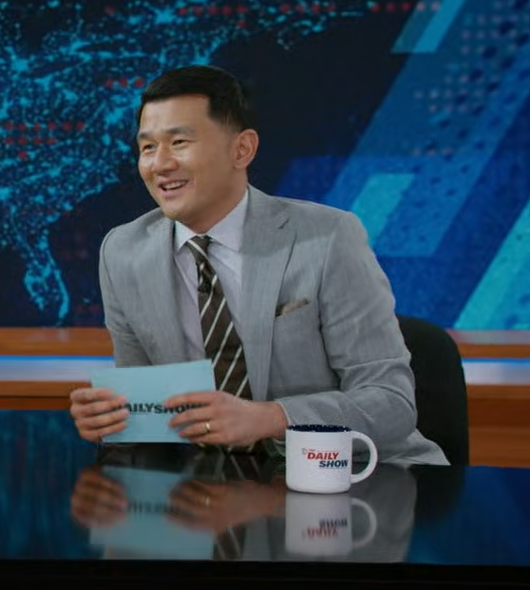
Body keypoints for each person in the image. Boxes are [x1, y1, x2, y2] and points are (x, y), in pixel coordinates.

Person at [68, 64, 447, 466]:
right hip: (214, 483)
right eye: (147, 147)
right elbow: (148, 409)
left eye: (179, 142)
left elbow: (391, 403)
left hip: (355, 473)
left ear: (242, 150)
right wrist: (114, 419)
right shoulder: (123, 252)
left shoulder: (327, 238)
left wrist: (269, 418)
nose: (159, 164)